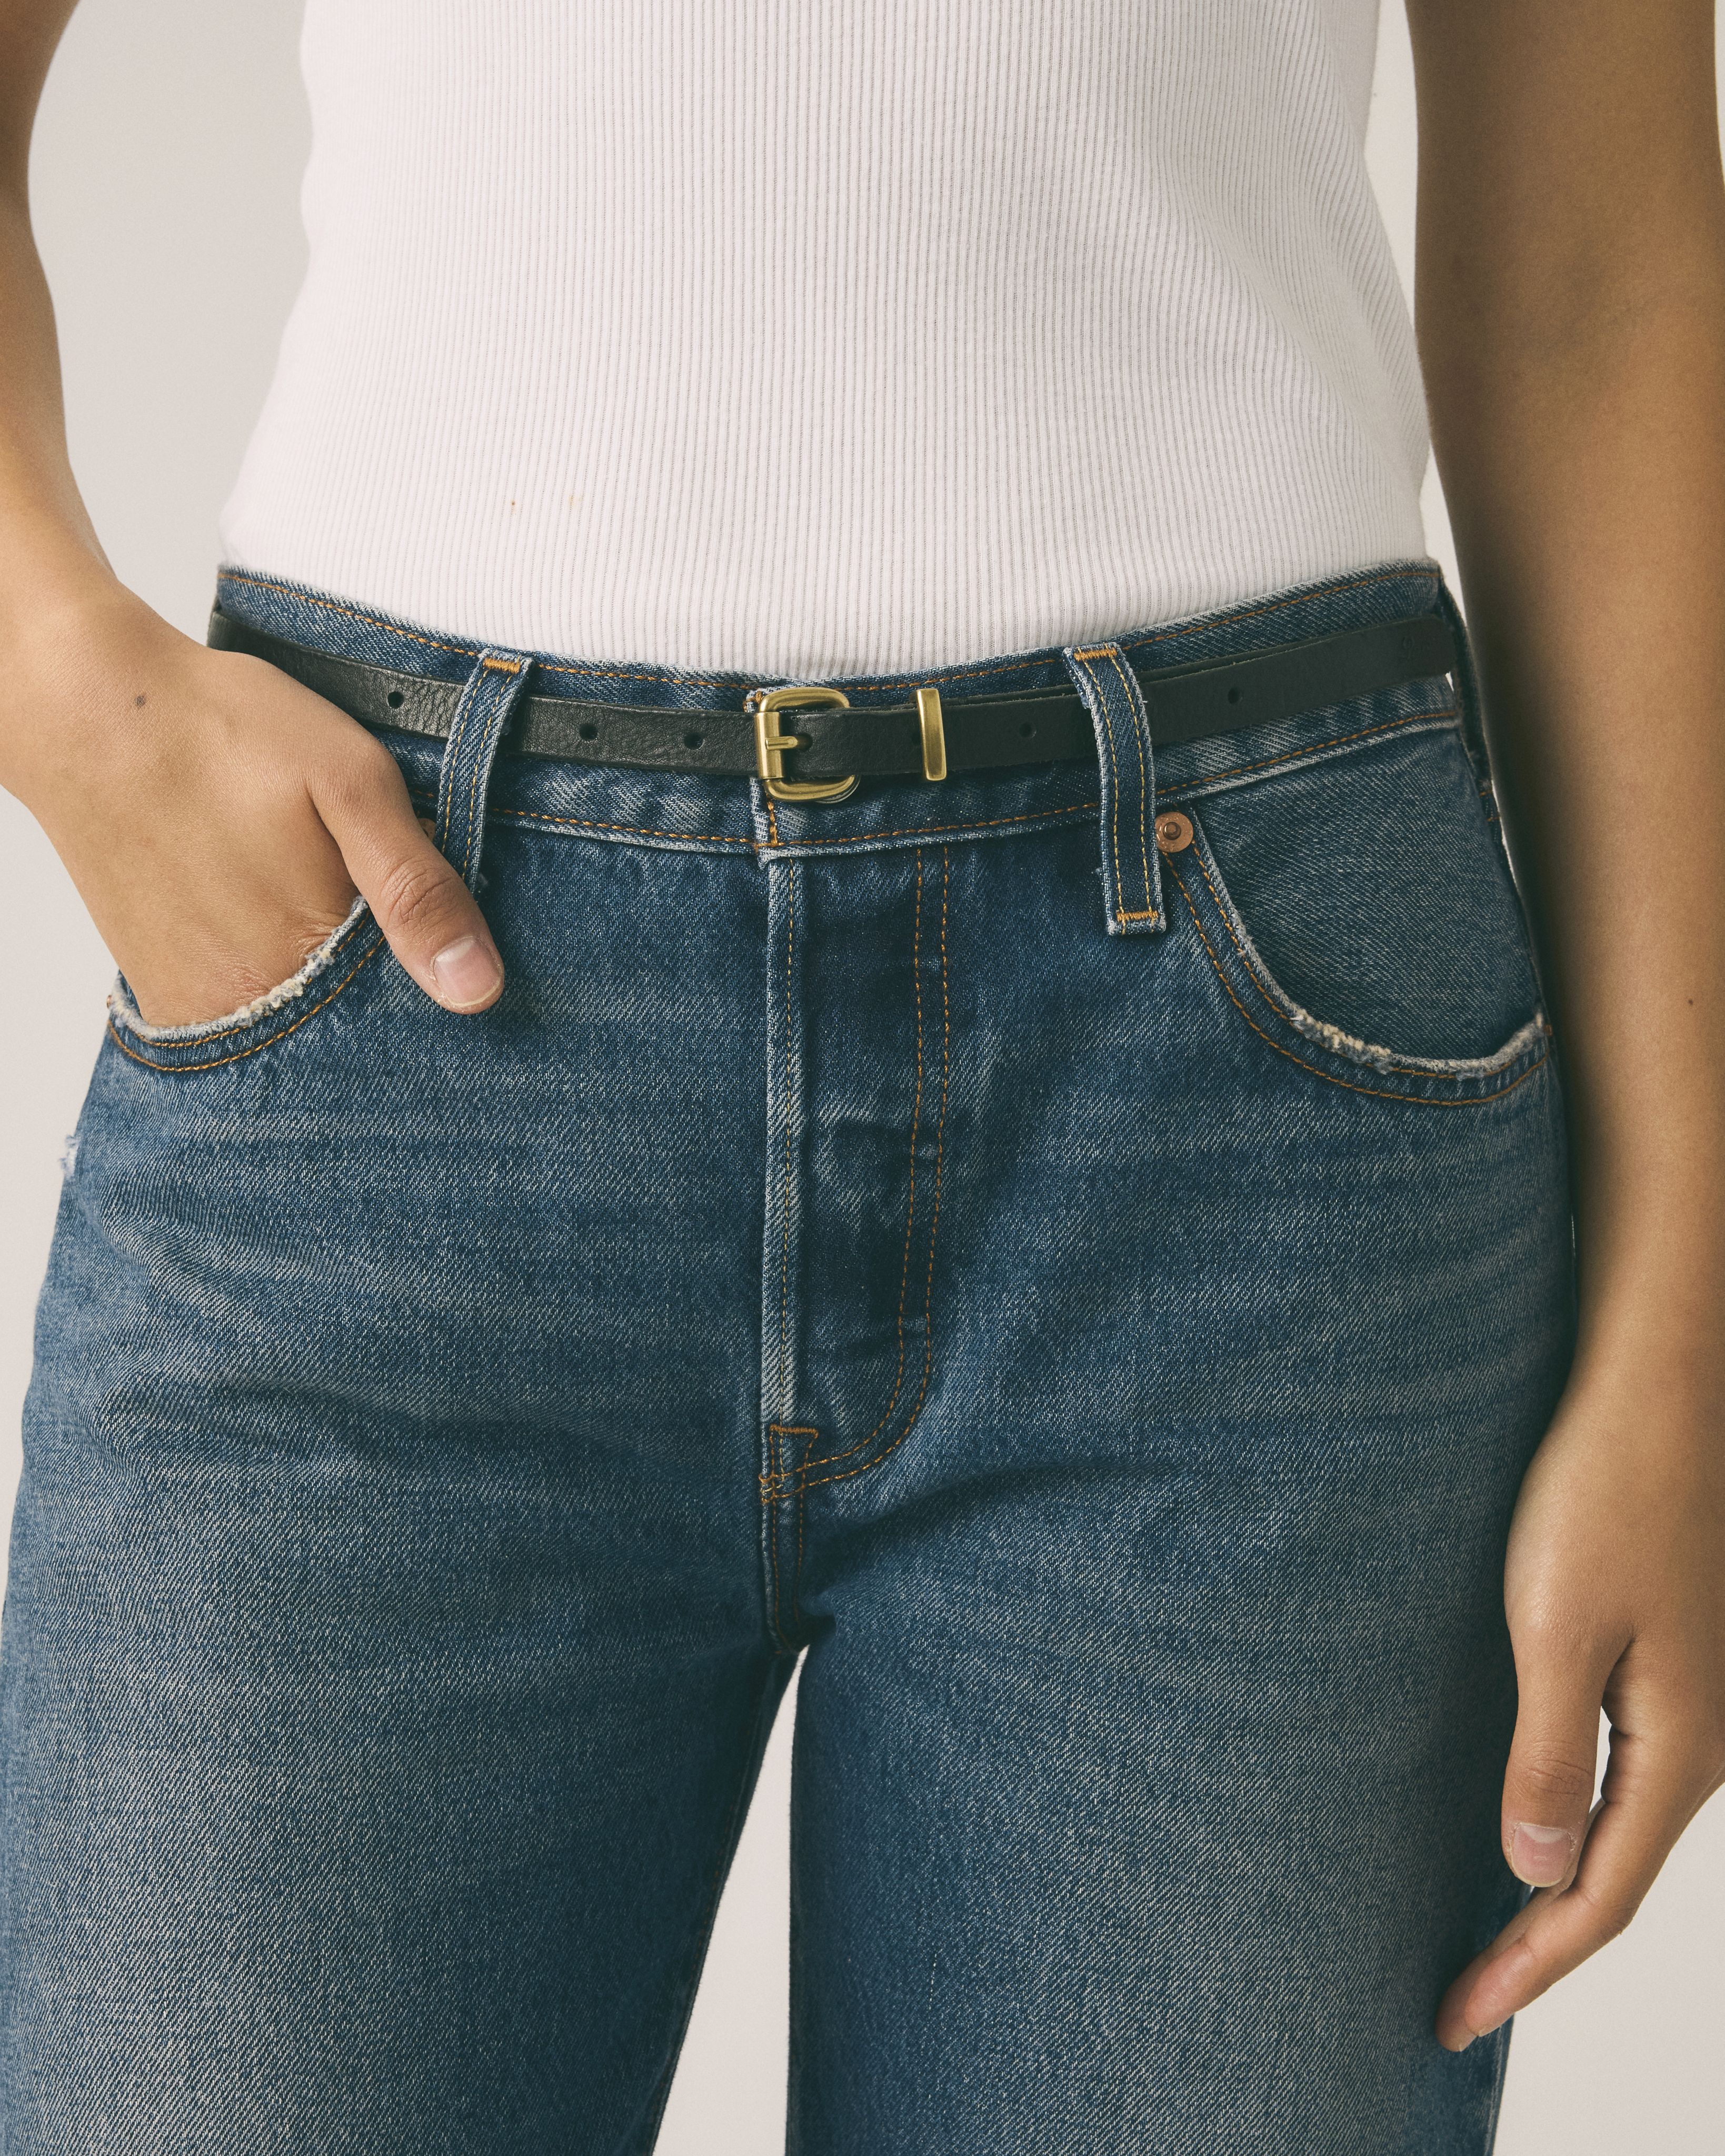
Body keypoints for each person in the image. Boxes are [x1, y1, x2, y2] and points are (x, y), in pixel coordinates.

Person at [1, 1, 1721, 2149]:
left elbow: (1597, 279)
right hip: (401, 1032)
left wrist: (1684, 1326)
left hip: (1247, 1121)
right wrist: (50, 672)